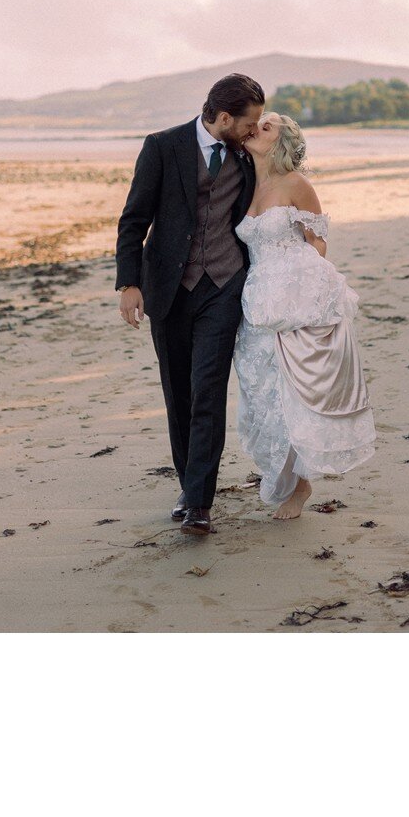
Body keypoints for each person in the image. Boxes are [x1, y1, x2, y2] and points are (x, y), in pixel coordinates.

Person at [115, 73, 265, 535]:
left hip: (223, 286)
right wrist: (129, 284)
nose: (253, 130)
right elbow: (134, 218)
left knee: (208, 392)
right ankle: (188, 484)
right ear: (223, 118)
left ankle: (200, 501)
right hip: (168, 288)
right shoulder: (162, 146)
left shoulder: (247, 154)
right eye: (249, 122)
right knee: (178, 394)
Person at [233, 112, 376, 519]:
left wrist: (298, 286)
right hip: (256, 302)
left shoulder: (297, 184)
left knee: (292, 391)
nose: (257, 126)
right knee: (262, 394)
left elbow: (318, 242)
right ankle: (282, 473)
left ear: (280, 142)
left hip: (293, 302)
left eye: (267, 125)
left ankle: (301, 485)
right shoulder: (244, 183)